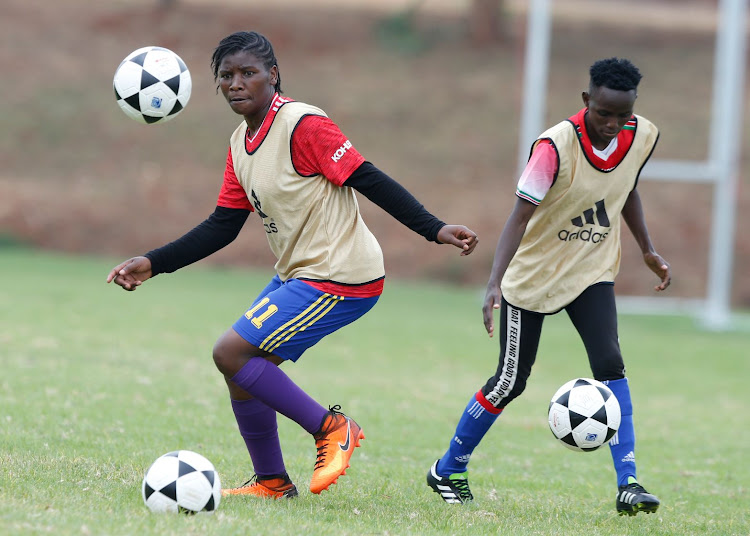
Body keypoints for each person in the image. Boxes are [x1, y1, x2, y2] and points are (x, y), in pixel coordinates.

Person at [107, 31, 478, 500]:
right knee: (240, 365)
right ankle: (273, 481)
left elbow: (369, 178)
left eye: (248, 73)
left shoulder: (304, 124)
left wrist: (434, 228)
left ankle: (333, 428)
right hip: (299, 275)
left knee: (231, 353)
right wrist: (154, 263)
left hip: (342, 276)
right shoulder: (240, 143)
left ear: (273, 75)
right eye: (226, 76)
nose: (236, 83)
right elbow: (222, 225)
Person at [426, 57, 670, 516]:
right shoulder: (554, 147)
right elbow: (518, 216)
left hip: (590, 271)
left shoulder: (643, 136)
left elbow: (627, 188)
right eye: (604, 114)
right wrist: (494, 282)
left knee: (610, 364)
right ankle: (448, 468)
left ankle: (629, 482)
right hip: (533, 280)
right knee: (509, 382)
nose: (614, 125)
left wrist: (646, 249)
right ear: (586, 102)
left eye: (623, 115)